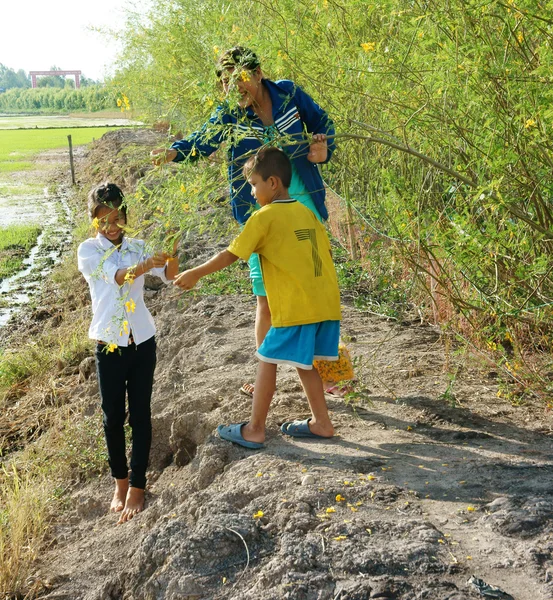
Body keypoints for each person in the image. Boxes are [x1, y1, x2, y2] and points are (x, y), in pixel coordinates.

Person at [151, 46, 336, 397]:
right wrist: (173, 152)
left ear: (259, 73)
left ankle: (328, 372)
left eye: (240, 78)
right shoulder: (228, 114)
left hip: (304, 205)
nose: (233, 87)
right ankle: (266, 376)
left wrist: (324, 147)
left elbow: (322, 124)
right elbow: (200, 144)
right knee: (265, 298)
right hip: (259, 214)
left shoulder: (289, 93)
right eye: (226, 82)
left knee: (313, 290)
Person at [173, 147, 340, 448]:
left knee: (266, 357)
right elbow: (326, 253)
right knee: (305, 363)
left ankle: (255, 429)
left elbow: (231, 254)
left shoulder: (265, 217)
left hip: (298, 307)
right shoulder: (305, 212)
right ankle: (322, 423)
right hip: (325, 302)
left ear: (273, 183)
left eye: (253, 184)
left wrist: (195, 273)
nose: (250, 192)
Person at [77, 183, 179, 523]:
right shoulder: (89, 251)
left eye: (116, 217)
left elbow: (170, 275)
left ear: (124, 215)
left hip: (143, 341)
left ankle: (138, 485)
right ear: (93, 220)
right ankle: (119, 483)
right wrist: (147, 263)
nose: (110, 225)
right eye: (103, 219)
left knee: (140, 415)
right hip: (109, 344)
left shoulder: (139, 246)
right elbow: (119, 277)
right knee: (112, 418)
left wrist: (174, 248)